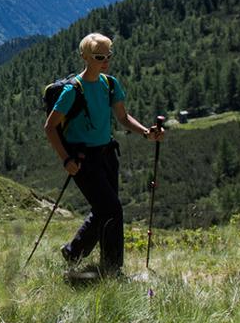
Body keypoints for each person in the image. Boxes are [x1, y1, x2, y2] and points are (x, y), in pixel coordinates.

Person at [43, 32, 163, 276]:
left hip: (108, 155)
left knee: (104, 209)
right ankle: (112, 269)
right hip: (82, 160)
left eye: (109, 55)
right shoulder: (72, 90)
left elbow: (122, 117)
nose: (106, 61)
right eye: (100, 56)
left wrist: (145, 133)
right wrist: (65, 159)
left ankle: (73, 252)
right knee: (112, 209)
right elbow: (50, 126)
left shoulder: (110, 84)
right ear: (85, 57)